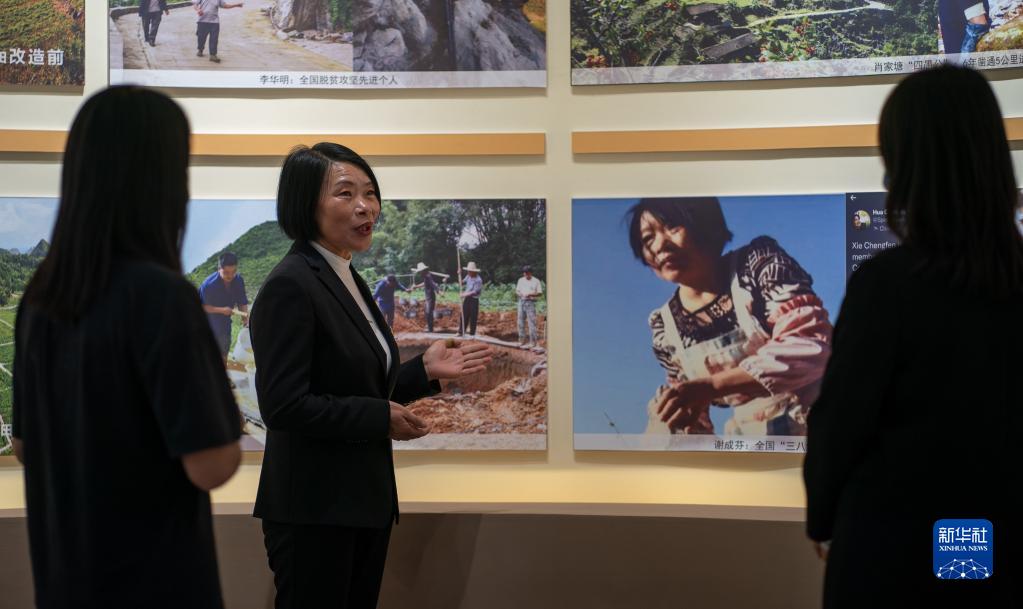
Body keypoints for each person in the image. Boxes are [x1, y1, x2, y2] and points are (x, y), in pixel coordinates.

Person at [11, 86, 241, 608]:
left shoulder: (41, 298)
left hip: (67, 582)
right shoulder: (163, 296)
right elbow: (211, 464)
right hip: (154, 585)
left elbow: (24, 446)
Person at [804, 66, 1023, 608]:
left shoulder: (887, 285)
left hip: (893, 548)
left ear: (905, 166)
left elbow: (842, 420)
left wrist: (823, 518)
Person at [250, 143, 493, 609]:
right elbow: (283, 406)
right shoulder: (291, 284)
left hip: (360, 504)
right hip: (315, 510)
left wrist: (423, 372)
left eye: (370, 192)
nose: (366, 206)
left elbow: (354, 384)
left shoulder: (346, 275)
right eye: (346, 193)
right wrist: (379, 418)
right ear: (305, 204)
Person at [626, 197, 833, 436]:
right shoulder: (666, 328)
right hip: (753, 440)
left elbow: (810, 346)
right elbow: (693, 410)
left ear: (705, 225)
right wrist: (678, 418)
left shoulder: (757, 266)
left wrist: (712, 385)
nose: (660, 245)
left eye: (672, 226)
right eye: (648, 239)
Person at [200, 251, 249, 361]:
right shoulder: (208, 285)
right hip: (208, 321)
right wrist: (222, 310)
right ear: (219, 269)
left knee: (224, 350)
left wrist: (245, 320)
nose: (230, 276)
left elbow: (242, 302)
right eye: (226, 272)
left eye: (234, 272)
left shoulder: (238, 280)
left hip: (225, 322)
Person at [515, 264, 543, 348]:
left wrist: (530, 294)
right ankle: (521, 340)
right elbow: (517, 291)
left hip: (530, 302)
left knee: (531, 323)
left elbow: (540, 293)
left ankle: (533, 342)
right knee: (520, 322)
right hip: (521, 301)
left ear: (530, 273)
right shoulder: (520, 280)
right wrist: (520, 294)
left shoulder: (536, 281)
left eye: (527, 273)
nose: (525, 274)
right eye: (524, 273)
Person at [411, 262, 439, 332]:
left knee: (429, 312)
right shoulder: (426, 276)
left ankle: (430, 328)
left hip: (430, 297)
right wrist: (416, 286)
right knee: (427, 312)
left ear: (423, 270)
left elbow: (433, 284)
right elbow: (424, 283)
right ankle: (429, 327)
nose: (420, 273)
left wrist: (438, 291)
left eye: (421, 271)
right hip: (428, 297)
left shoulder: (428, 276)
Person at [460, 261, 483, 336]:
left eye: (470, 271)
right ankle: (461, 331)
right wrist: (459, 274)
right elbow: (461, 282)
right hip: (467, 299)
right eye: (468, 271)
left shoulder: (478, 280)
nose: (469, 272)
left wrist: (464, 294)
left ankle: (472, 334)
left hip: (474, 299)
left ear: (474, 271)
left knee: (473, 316)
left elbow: (475, 292)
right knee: (464, 314)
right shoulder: (468, 276)